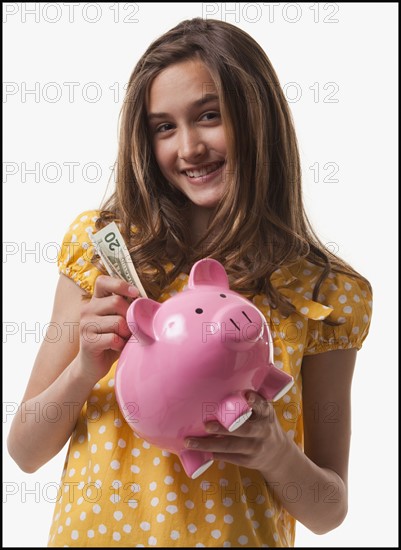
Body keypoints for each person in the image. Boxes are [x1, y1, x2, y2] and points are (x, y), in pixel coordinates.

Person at [7, 17, 373, 548]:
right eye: (164, 127)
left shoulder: (322, 290)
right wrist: (87, 366)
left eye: (209, 116)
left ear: (258, 119)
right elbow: (24, 450)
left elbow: (328, 511)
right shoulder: (100, 252)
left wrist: (274, 450)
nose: (189, 147)